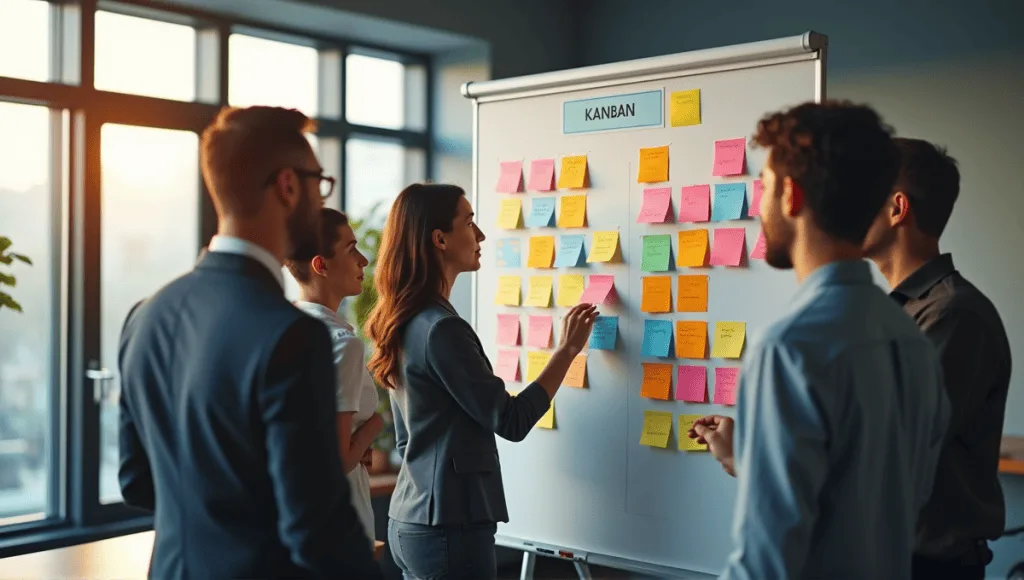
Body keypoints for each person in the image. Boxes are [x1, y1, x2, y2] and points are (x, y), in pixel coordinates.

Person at [687, 101, 950, 579]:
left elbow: (764, 564)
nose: (758, 205)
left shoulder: (788, 348)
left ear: (791, 195)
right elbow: (887, 505)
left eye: (763, 188)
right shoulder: (912, 343)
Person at [117, 106, 380, 579]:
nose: (320, 201)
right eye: (319, 184)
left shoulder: (145, 315)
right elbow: (317, 528)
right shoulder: (292, 335)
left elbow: (137, 483)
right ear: (287, 185)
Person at [365, 183, 598, 580]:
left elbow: (407, 443)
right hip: (449, 529)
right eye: (470, 222)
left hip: (412, 521)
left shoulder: (405, 320)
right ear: (439, 239)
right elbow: (511, 420)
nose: (482, 235)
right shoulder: (442, 328)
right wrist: (565, 351)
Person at [862, 138, 1012, 579]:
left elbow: (890, 449)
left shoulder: (952, 315)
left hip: (926, 567)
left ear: (897, 208)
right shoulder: (895, 311)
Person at [285, 207, 383, 544]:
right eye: (351, 248)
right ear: (320, 265)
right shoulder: (343, 344)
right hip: (340, 517)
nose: (363, 261)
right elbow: (338, 460)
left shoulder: (282, 330)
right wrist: (373, 426)